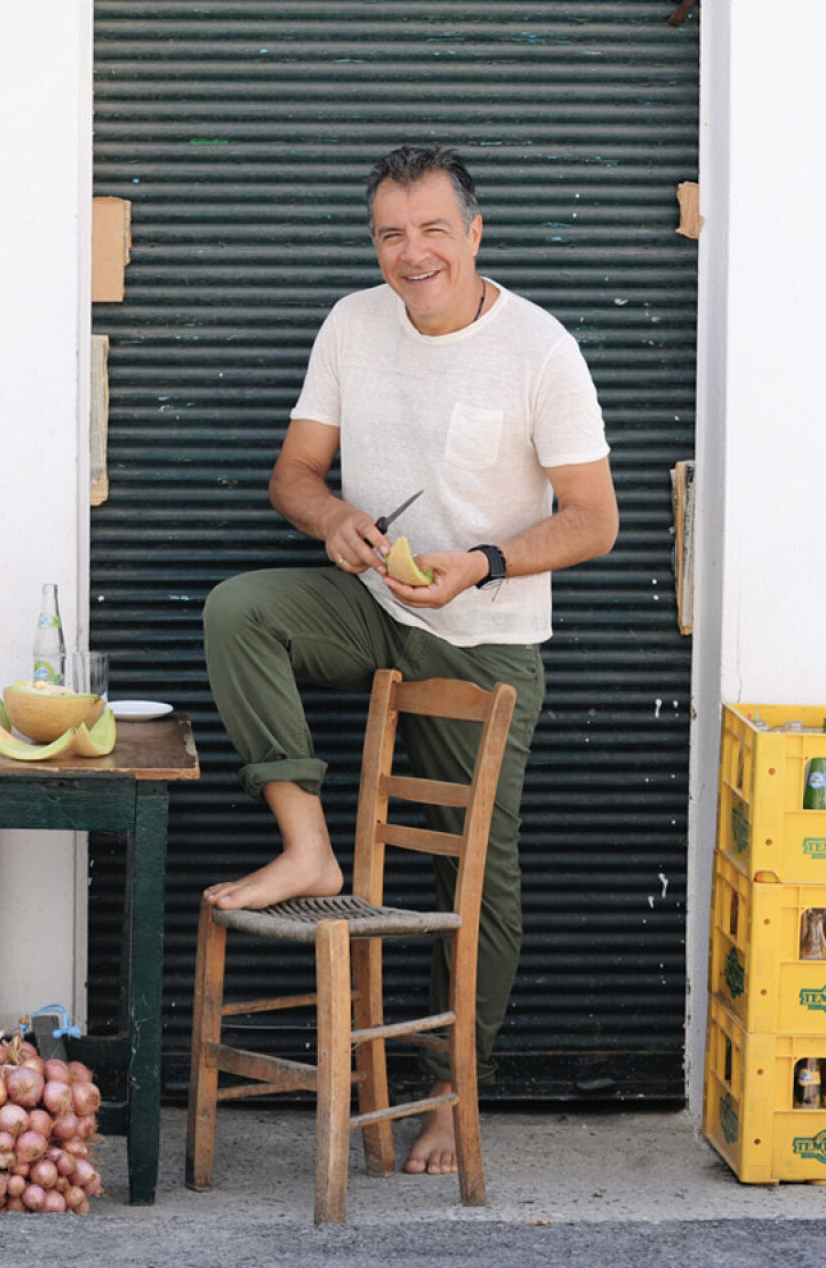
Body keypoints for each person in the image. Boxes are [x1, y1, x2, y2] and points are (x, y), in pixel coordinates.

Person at [199, 146, 619, 1176]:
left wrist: (482, 562)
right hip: (376, 603)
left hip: (487, 636)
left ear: (475, 234)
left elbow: (597, 520)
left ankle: (444, 1095)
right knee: (239, 608)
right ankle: (308, 845)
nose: (412, 252)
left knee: (473, 873)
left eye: (433, 229)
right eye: (392, 232)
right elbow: (293, 475)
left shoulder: (540, 350)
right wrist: (334, 515)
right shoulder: (353, 322)